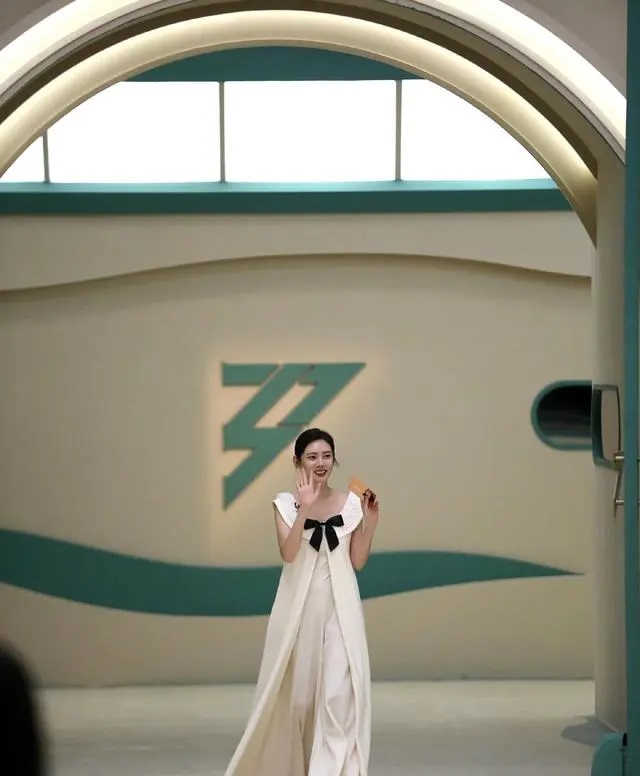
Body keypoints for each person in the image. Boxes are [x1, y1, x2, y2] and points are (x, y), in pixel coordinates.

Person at [224, 427, 380, 776]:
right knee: (299, 700)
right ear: (298, 462)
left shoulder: (351, 503)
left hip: (341, 611)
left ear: (334, 460)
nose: (320, 463)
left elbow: (357, 560)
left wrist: (369, 522)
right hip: (299, 612)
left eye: (326, 456)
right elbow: (289, 552)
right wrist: (305, 509)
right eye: (312, 457)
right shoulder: (284, 504)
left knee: (339, 696)